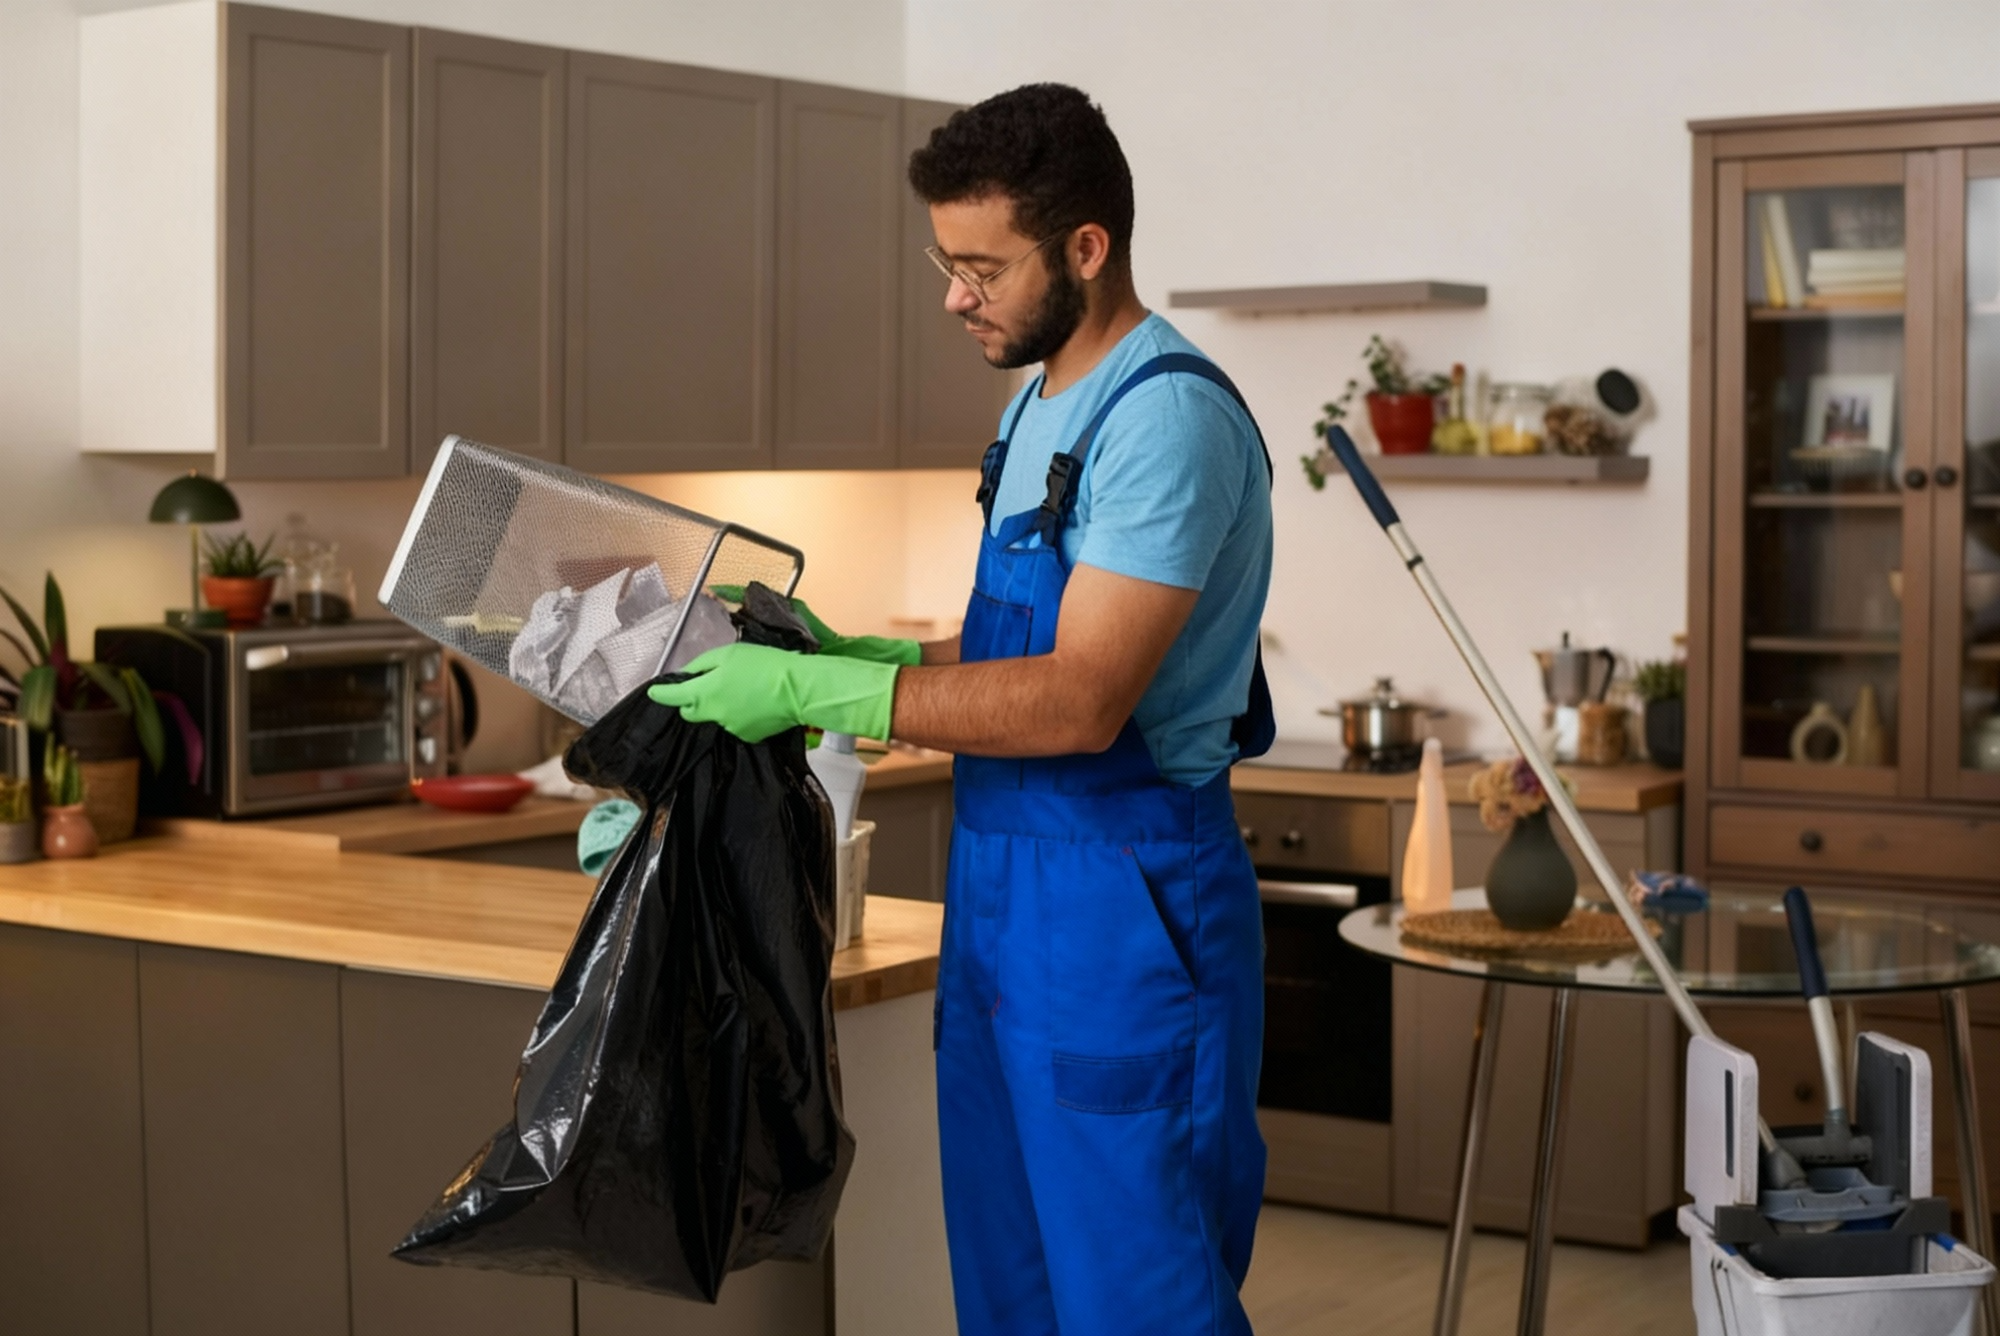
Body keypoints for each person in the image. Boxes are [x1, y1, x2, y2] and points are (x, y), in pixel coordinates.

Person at [649, 82, 1274, 1335]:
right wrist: (860, 647)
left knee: (1136, 1297)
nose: (953, 294)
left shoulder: (1164, 420)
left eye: (981, 265)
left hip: (1123, 911)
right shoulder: (1037, 404)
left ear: (1085, 250)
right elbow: (1015, 644)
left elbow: (1083, 699)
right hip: (1002, 905)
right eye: (947, 261)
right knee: (1011, 1294)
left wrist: (829, 688)